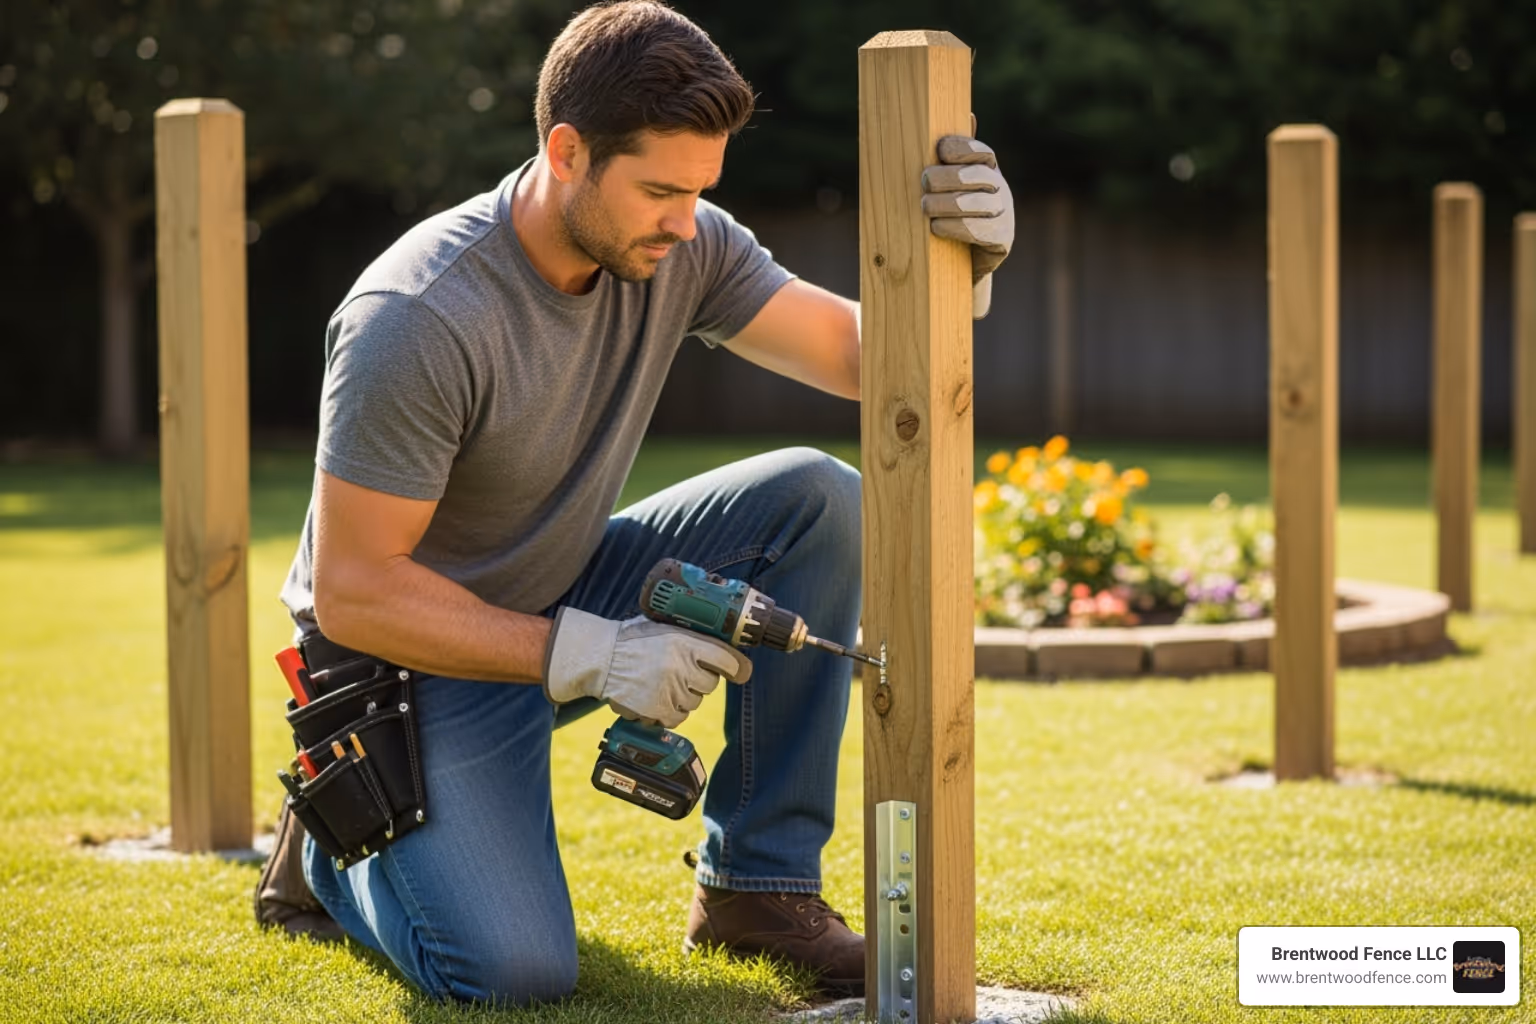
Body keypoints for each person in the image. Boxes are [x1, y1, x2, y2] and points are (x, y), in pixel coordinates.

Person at [254, 0, 1014, 1005]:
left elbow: (871, 362)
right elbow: (355, 594)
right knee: (510, 971)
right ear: (567, 151)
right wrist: (596, 655)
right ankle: (325, 855)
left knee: (816, 501)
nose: (686, 220)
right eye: (661, 189)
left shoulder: (682, 244)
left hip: (559, 584)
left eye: (702, 190)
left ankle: (755, 890)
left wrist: (963, 277)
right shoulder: (417, 317)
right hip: (405, 665)